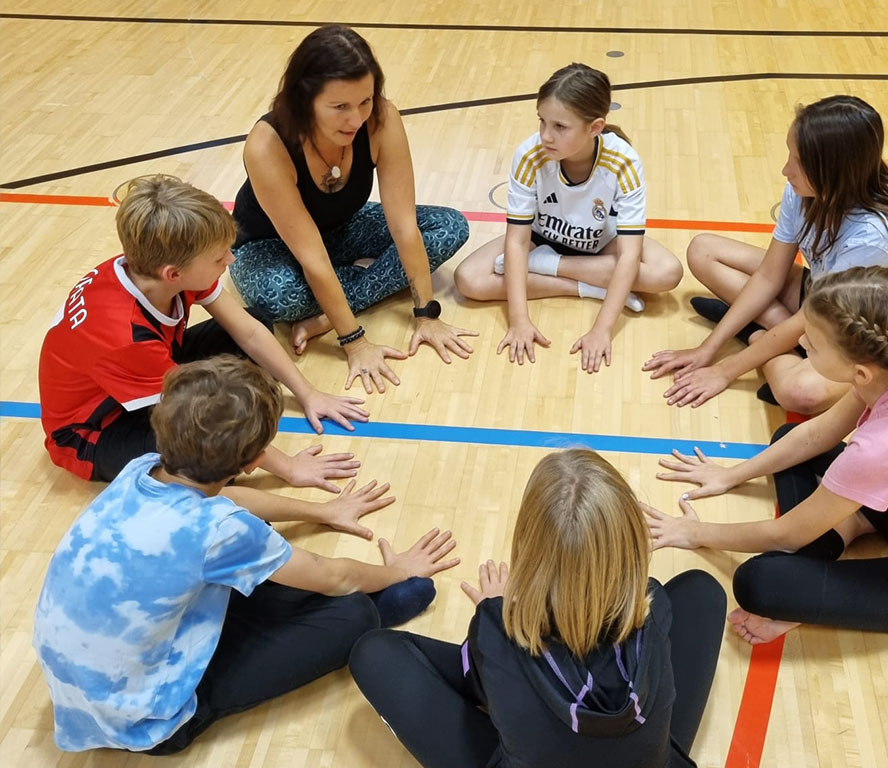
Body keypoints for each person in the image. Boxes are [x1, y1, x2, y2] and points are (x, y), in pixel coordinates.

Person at [33, 356, 460, 753]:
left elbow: (232, 501)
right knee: (353, 615)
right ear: (255, 460)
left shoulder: (140, 467)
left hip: (81, 692)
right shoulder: (215, 529)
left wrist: (323, 510)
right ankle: (374, 615)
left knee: (259, 552)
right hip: (148, 721)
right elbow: (334, 577)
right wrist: (395, 572)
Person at [647, 267, 888, 645]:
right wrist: (730, 475)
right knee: (790, 436)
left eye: (812, 341)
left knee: (758, 582)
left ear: (859, 371)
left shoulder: (883, 447)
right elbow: (815, 435)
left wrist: (692, 532)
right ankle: (846, 529)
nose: (802, 342)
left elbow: (786, 533)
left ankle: (832, 549)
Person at [350, 449, 726, 768]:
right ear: (629, 545)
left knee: (374, 653)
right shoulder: (654, 607)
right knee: (703, 590)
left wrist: (498, 612)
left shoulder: (496, 629)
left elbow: (480, 692)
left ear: (527, 550)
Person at [38, 175, 368, 496]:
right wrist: (290, 468)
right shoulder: (125, 337)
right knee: (211, 452)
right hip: (94, 432)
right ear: (174, 274)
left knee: (255, 321)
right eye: (219, 257)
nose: (231, 258)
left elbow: (248, 331)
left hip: (142, 372)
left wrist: (308, 393)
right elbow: (199, 416)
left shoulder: (152, 267)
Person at [643, 95, 888, 413]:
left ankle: (759, 335)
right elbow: (769, 275)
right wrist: (708, 348)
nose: (786, 169)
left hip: (872, 323)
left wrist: (724, 370)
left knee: (801, 394)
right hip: (824, 294)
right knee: (703, 251)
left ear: (833, 172)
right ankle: (777, 340)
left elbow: (812, 318)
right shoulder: (805, 190)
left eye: (798, 162)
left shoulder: (872, 236)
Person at [229, 25, 476, 393]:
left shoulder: (382, 118)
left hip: (343, 227)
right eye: (339, 107)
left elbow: (405, 226)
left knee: (448, 226)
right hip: (269, 246)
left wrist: (426, 315)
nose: (356, 119)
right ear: (304, 99)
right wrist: (355, 341)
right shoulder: (267, 145)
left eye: (365, 101)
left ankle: (324, 314)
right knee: (278, 295)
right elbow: (311, 258)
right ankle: (336, 305)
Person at [453, 63, 683, 373]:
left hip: (602, 242)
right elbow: (518, 242)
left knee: (667, 273)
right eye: (542, 122)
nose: (546, 136)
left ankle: (547, 268)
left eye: (560, 127)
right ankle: (589, 287)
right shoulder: (529, 155)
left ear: (595, 127)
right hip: (541, 238)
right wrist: (520, 322)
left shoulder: (623, 160)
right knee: (468, 279)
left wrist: (602, 328)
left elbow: (629, 253)